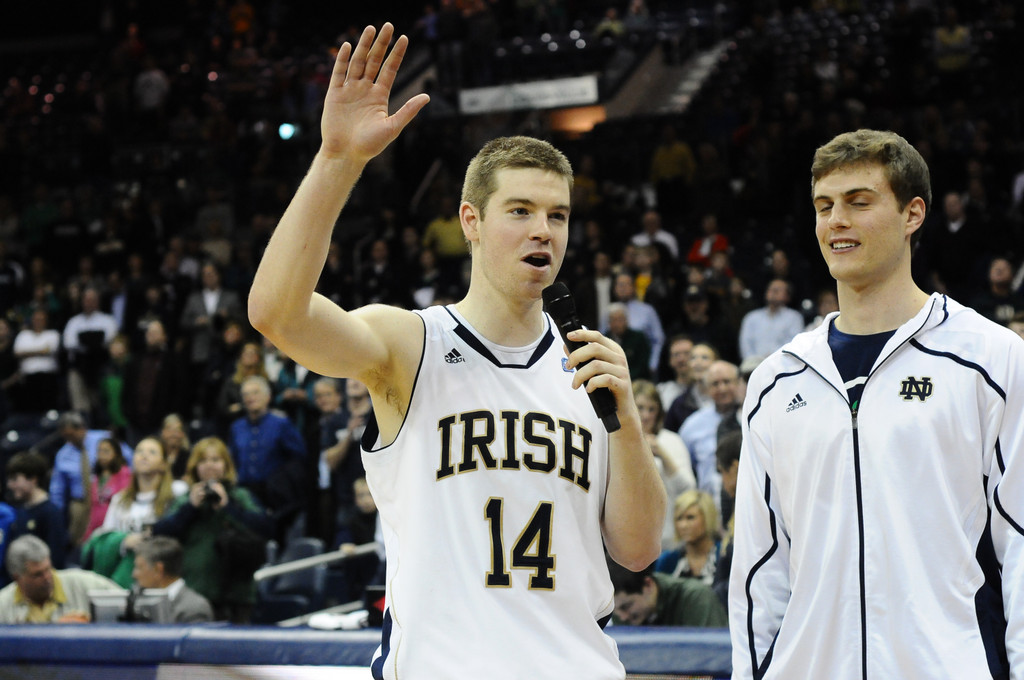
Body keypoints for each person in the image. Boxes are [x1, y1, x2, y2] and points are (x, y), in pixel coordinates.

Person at [247, 23, 664, 680]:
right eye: (521, 211)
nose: (543, 231)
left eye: (557, 215)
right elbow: (276, 314)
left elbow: (637, 551)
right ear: (471, 222)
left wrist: (629, 422)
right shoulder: (409, 343)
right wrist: (337, 161)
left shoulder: (589, 367)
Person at [730, 129, 1024, 679]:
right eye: (824, 206)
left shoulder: (991, 358)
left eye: (858, 203)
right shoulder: (775, 379)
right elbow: (758, 567)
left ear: (913, 214)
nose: (835, 221)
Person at [153, 436, 273, 624]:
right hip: (194, 592)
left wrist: (229, 507)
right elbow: (161, 534)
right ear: (194, 466)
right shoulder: (185, 500)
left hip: (237, 595)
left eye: (215, 460)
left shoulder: (240, 496)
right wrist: (191, 508)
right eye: (203, 461)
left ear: (226, 465)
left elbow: (264, 529)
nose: (209, 466)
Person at [227, 375, 306, 526]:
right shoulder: (236, 427)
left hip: (276, 494)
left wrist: (282, 484)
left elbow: (298, 457)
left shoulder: (281, 423)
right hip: (246, 492)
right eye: (245, 394)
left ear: (268, 397)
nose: (250, 398)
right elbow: (233, 459)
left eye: (255, 393)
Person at [49, 412, 133, 549]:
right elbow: (57, 489)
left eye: (72, 435)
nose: (70, 440)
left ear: (82, 428)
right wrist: (56, 514)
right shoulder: (63, 454)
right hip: (80, 504)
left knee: (108, 541)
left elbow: (129, 458)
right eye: (66, 436)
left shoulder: (104, 439)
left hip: (109, 501)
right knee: (82, 544)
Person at [0, 535, 123, 623]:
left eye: (48, 569)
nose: (47, 577)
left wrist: (90, 626)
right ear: (17, 577)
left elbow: (126, 602)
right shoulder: (3, 605)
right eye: (37, 574)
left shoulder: (83, 583)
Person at [632, 379, 696, 550]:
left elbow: (689, 490)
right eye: (640, 408)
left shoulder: (671, 441)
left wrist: (663, 455)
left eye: (652, 409)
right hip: (628, 539)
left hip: (668, 540)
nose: (646, 415)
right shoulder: (615, 441)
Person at [678, 359, 739, 510]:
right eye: (715, 384)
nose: (722, 388)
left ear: (738, 383)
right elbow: (686, 468)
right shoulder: (692, 426)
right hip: (708, 508)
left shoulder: (752, 416)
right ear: (707, 389)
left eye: (727, 381)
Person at [608, 559, 727, 628]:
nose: (623, 617)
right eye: (616, 611)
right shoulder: (621, 613)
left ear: (648, 585)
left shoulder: (696, 598)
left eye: (626, 606)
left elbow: (713, 658)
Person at [132, 535, 214, 623]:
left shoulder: (194, 608)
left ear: (158, 569)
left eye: (139, 567)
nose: (134, 574)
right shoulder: (139, 602)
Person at [5, 451, 66, 570]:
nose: (10, 485)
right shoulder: (21, 510)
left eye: (15, 479)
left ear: (32, 479)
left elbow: (56, 559)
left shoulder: (50, 513)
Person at [653, 488, 720, 585]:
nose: (683, 525)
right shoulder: (668, 560)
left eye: (690, 517)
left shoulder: (724, 555)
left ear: (707, 518)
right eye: (679, 518)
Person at [737, 278, 805, 361]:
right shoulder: (751, 317)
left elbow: (794, 344)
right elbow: (745, 345)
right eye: (771, 289)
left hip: (783, 365)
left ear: (788, 296)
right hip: (754, 366)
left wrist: (774, 360)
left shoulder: (794, 317)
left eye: (777, 290)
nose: (773, 292)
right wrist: (754, 362)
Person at [83, 437, 133, 543]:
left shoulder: (124, 473)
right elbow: (93, 506)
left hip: (114, 527)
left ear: (116, 453)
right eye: (99, 451)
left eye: (106, 451)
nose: (102, 455)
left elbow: (124, 500)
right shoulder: (97, 476)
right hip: (95, 526)